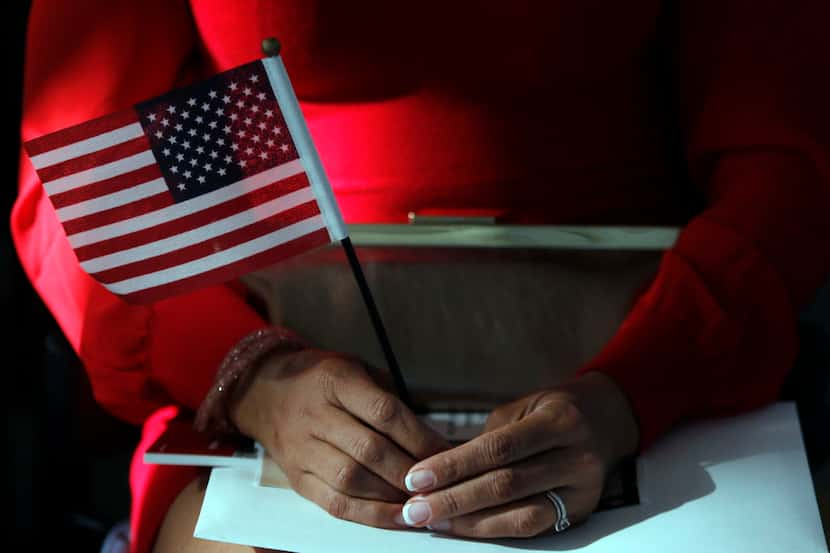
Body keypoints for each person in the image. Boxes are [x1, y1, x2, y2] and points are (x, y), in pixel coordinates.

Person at [14, 1, 830, 552]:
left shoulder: (650, 378)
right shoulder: (253, 373)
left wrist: (636, 390)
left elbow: (787, 161)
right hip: (258, 379)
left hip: (654, 362)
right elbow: (81, 177)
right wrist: (255, 374)